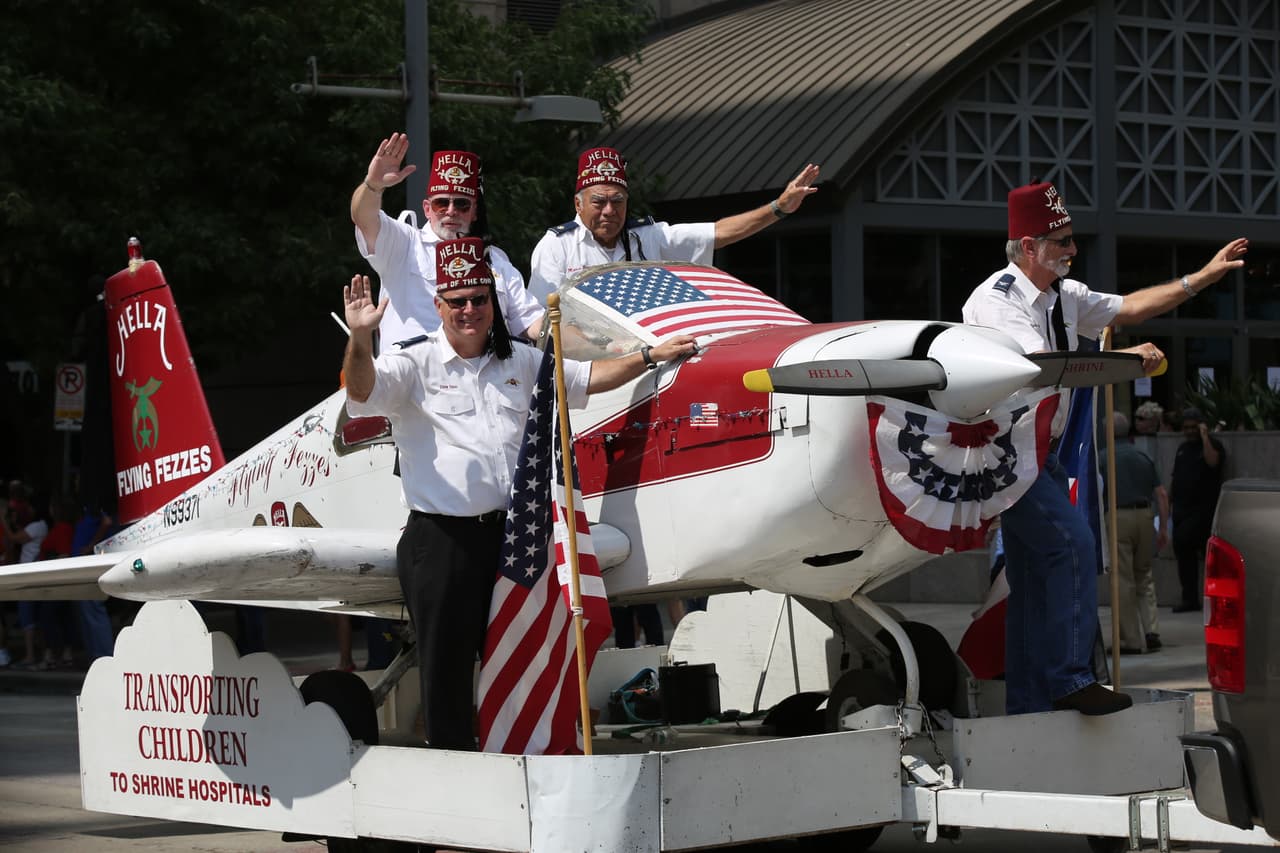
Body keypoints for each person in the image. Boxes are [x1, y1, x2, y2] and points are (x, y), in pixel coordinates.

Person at [342, 236, 697, 750]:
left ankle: (516, 767)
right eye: (458, 301)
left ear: (493, 304)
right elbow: (360, 391)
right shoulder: (413, 365)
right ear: (439, 306)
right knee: (446, 670)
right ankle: (459, 785)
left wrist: (650, 354)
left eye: (479, 300)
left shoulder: (522, 363)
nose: (469, 311)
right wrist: (358, 337)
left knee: (522, 655)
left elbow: (586, 378)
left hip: (513, 538)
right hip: (443, 542)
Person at [961, 179, 1247, 716]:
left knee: (1029, 576)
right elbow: (1041, 368)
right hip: (1004, 454)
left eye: (1072, 240)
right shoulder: (997, 300)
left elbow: (1131, 306)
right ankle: (1070, 678)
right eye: (1062, 241)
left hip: (1032, 457)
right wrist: (1125, 364)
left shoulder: (1062, 296)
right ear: (1029, 247)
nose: (1073, 250)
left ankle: (1027, 706)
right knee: (1074, 544)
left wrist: (1203, 277)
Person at [526, 147, 821, 305]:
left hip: (644, 368)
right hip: (583, 380)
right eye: (598, 201)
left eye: (617, 201)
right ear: (578, 204)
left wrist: (778, 208)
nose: (609, 211)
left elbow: (719, 233)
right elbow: (540, 323)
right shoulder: (557, 246)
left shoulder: (649, 237)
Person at [351, 133, 544, 349]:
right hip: (412, 376)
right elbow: (363, 218)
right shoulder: (404, 243)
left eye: (462, 204)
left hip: (478, 376)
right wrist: (373, 186)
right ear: (426, 209)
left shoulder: (494, 259)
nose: (451, 212)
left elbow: (530, 321)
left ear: (475, 212)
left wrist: (572, 326)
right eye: (441, 203)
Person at [1102, 413, 1169, 654]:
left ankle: (1131, 640)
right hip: (1145, 516)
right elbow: (1161, 494)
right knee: (1144, 574)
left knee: (1123, 579)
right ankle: (1152, 631)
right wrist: (1162, 528)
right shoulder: (1143, 456)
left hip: (1117, 517)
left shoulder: (1103, 458)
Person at [1169, 406, 1226, 613]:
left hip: (1204, 513)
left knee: (1210, 561)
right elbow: (1175, 480)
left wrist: (1204, 436)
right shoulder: (1182, 449)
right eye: (1186, 428)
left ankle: (1214, 601)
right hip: (1182, 513)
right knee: (1184, 558)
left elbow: (1212, 462)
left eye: (1194, 427)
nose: (1189, 431)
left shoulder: (1213, 445)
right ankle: (1190, 599)